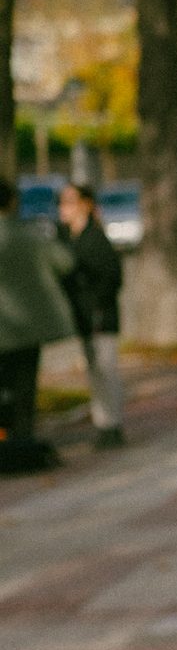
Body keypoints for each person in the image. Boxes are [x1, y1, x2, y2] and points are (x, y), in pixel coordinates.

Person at [0, 176, 77, 474]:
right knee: (24, 386)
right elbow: (65, 262)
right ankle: (22, 442)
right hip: (27, 331)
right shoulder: (28, 235)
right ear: (12, 202)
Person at [56, 183, 128, 448]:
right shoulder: (66, 238)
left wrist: (97, 305)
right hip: (83, 316)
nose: (63, 208)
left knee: (105, 371)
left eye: (69, 201)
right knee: (95, 372)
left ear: (85, 205)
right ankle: (104, 425)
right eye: (61, 202)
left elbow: (112, 278)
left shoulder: (95, 239)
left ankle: (111, 426)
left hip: (100, 317)